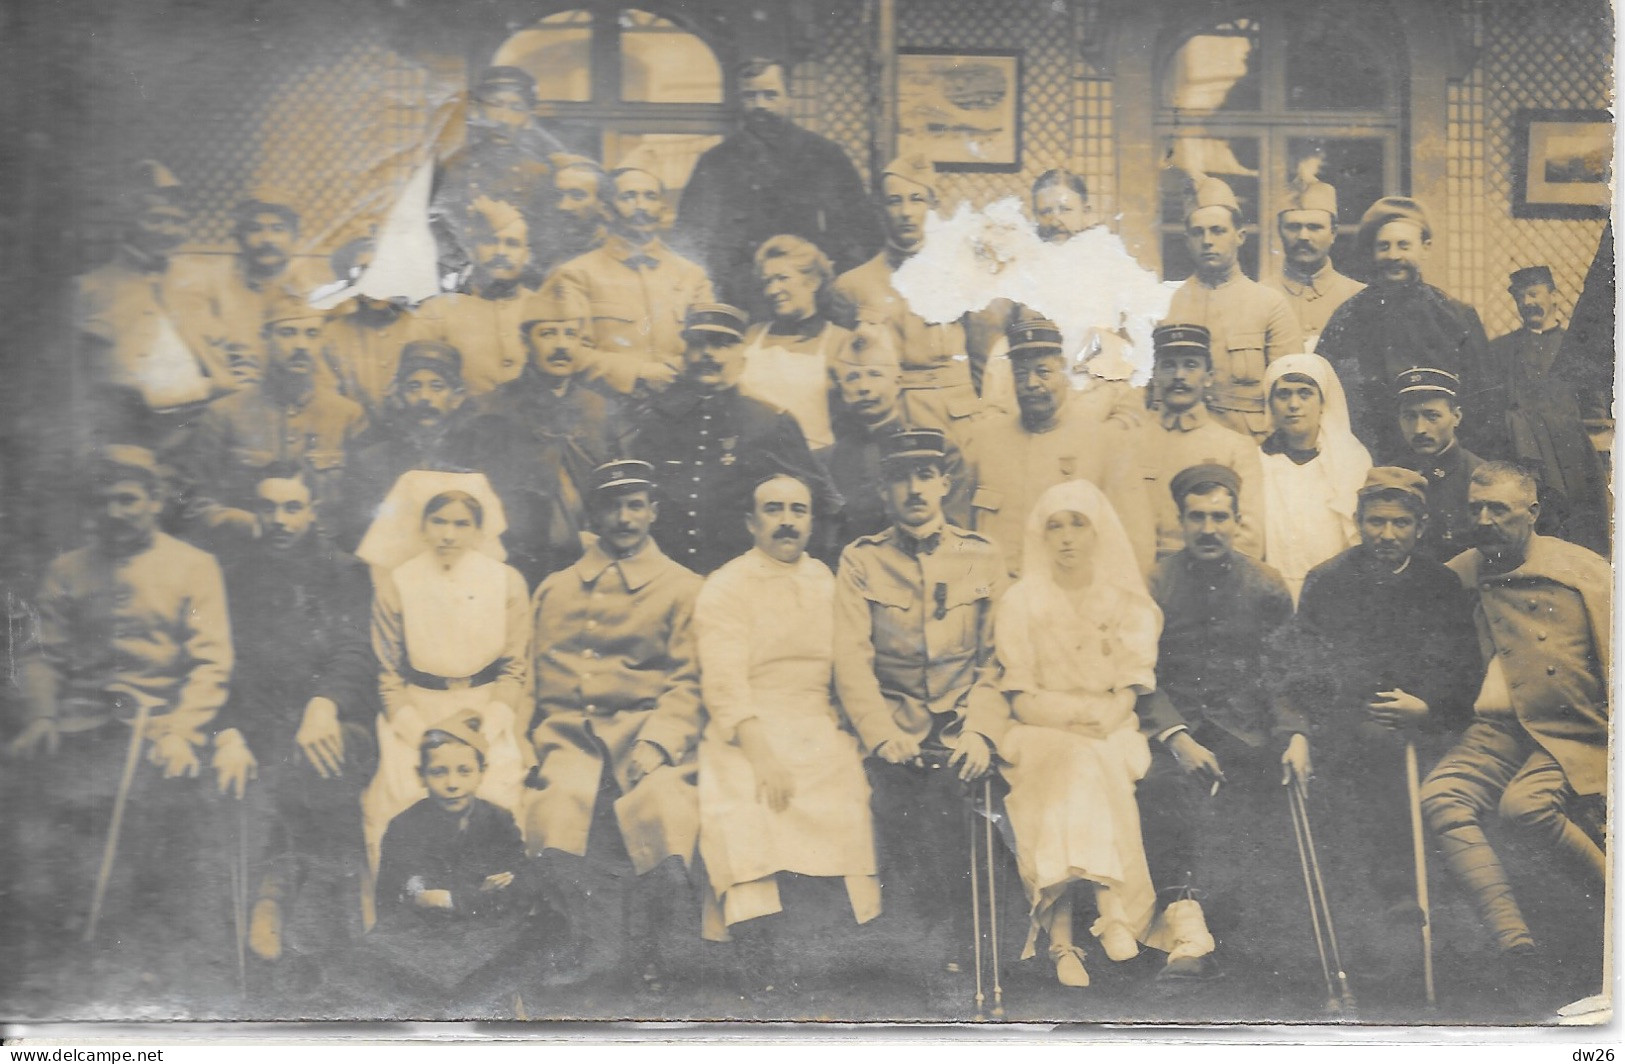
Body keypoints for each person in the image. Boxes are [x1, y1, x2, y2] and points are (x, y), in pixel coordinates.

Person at [6, 446, 235, 1001]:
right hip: (80, 725)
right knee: (45, 832)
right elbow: (39, 655)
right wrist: (41, 715)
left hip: (159, 728)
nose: (116, 512)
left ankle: (145, 968)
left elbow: (211, 663)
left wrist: (182, 728)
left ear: (155, 502)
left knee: (155, 831)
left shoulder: (194, 567)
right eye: (105, 501)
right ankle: (58, 966)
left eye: (129, 499)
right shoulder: (67, 570)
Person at [1280, 467, 1480, 997]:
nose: (1386, 535)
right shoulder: (1327, 580)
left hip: (1425, 730)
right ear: (1358, 522)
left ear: (1421, 527)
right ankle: (1368, 931)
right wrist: (1308, 730)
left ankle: (1417, 920)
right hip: (1345, 731)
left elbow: (1464, 672)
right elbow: (1303, 667)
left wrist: (1427, 707)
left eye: (1399, 523)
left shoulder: (1440, 585)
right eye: (1375, 522)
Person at [1421, 463, 1609, 992]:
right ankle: (1515, 945)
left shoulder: (1584, 571)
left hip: (1572, 729)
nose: (1483, 519)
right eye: (1475, 508)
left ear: (1532, 513)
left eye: (1497, 509)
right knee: (1441, 797)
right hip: (1499, 730)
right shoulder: (1457, 573)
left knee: (1524, 807)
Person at [831, 428, 1007, 991]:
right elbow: (852, 662)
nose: (914, 489)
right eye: (901, 478)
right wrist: (881, 735)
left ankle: (957, 957)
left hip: (960, 730)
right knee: (896, 803)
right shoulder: (861, 561)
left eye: (925, 476)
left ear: (945, 485)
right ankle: (920, 961)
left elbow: (995, 664)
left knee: (953, 802)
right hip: (895, 730)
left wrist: (981, 731)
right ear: (884, 491)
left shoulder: (981, 556)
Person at [524, 459, 705, 987]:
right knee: (555, 807)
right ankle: (588, 948)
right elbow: (533, 680)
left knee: (663, 807)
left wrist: (660, 741)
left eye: (635, 505)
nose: (624, 518)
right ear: (594, 513)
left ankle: (659, 953)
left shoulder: (683, 588)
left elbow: (689, 682)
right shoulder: (555, 589)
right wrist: (524, 743)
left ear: (653, 511)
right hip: (567, 737)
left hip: (644, 734)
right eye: (611, 505)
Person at [694, 474, 881, 984]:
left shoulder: (826, 580)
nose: (786, 521)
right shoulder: (726, 585)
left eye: (798, 510)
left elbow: (850, 661)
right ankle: (760, 954)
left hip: (814, 718)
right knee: (752, 795)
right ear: (752, 523)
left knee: (843, 781)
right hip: (746, 726)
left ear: (811, 522)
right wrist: (762, 753)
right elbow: (725, 682)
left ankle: (827, 947)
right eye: (773, 510)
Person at [981, 480, 1162, 989]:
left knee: (1086, 762)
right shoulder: (1021, 601)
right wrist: (1078, 717)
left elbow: (1131, 686)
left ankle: (1061, 938)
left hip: (1111, 732)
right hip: (1038, 732)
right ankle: (1110, 908)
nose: (1065, 537)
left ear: (1098, 532)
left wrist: (1107, 713)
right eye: (1053, 526)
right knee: (1076, 760)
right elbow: (1019, 697)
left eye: (1077, 524)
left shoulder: (1125, 600)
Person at [1132, 463, 1303, 981]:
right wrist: (1176, 735)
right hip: (1175, 732)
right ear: (1180, 521)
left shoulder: (1266, 585)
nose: (1209, 529)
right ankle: (1185, 927)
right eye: (1197, 517)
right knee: (1160, 788)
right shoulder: (1156, 583)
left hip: (1244, 731)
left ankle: (1248, 941)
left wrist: (1295, 734)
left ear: (1237, 521)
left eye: (1220, 517)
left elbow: (1284, 671)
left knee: (1256, 799)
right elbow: (1140, 672)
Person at [220, 464, 379, 974]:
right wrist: (229, 732)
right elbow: (221, 664)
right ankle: (287, 904)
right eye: (268, 507)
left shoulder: (345, 570)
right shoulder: (234, 577)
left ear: (314, 511)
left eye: (293, 507)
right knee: (270, 774)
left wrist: (324, 703)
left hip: (334, 723)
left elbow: (354, 650)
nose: (280, 519)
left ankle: (285, 899)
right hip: (261, 727)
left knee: (322, 758)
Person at [361, 481, 532, 875]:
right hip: (418, 710)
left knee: (497, 790)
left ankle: (493, 913)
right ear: (422, 526)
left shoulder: (507, 581)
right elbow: (387, 675)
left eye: (461, 523)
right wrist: (420, 733)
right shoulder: (398, 583)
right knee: (401, 793)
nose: (448, 534)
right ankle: (403, 919)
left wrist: (490, 724)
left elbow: (513, 668)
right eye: (438, 522)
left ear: (478, 530)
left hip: (485, 710)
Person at [631, 303, 841, 575]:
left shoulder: (770, 422)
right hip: (668, 573)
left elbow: (822, 503)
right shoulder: (659, 420)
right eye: (698, 345)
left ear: (742, 356)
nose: (707, 354)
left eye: (721, 345)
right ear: (685, 354)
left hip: (747, 578)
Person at [363, 711, 542, 1013]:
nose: (452, 784)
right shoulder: (404, 826)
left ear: (481, 772)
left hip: (484, 930)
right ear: (421, 775)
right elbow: (393, 897)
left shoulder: (498, 821)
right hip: (425, 935)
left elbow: (521, 888)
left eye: (464, 771)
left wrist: (451, 898)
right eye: (438, 772)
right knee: (379, 954)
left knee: (516, 944)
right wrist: (478, 892)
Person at [675, 57, 878, 311]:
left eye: (770, 95)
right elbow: (691, 239)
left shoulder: (825, 156)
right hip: (738, 301)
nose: (760, 105)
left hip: (811, 303)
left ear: (790, 97)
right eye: (750, 96)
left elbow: (860, 232)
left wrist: (830, 283)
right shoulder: (715, 163)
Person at [463, 283, 634, 584]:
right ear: (524, 342)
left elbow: (618, 490)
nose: (561, 346)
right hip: (514, 561)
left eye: (570, 335)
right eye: (548, 334)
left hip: (589, 561)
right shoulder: (493, 410)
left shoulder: (598, 409)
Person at [962, 316, 1154, 575]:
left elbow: (1135, 540)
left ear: (1064, 374)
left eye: (1043, 372)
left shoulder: (1105, 443)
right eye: (1021, 374)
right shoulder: (982, 443)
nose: (1031, 384)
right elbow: (956, 535)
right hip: (998, 598)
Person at [1317, 196, 1503, 460]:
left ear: (1425, 248)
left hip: (1441, 458)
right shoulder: (1348, 316)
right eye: (1384, 247)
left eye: (1403, 245)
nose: (1393, 256)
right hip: (1370, 457)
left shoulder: (1456, 316)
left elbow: (1483, 399)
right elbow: (1327, 393)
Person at [174, 307, 368, 547]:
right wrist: (240, 521)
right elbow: (193, 503)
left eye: (312, 334)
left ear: (323, 341)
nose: (301, 346)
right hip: (247, 556)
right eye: (287, 333)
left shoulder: (347, 415)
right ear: (264, 338)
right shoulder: (224, 414)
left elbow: (362, 504)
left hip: (324, 562)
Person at [830, 154, 990, 434]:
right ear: (880, 209)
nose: (906, 212)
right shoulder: (853, 285)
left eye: (916, 200)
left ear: (932, 207)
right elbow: (844, 369)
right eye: (895, 201)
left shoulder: (963, 274)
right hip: (887, 421)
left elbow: (982, 362)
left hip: (954, 421)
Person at [71, 160, 231, 440]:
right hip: (120, 432)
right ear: (128, 221)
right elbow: (76, 379)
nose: (167, 231)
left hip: (195, 428)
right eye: (155, 218)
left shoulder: (202, 281)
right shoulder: (89, 287)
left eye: (177, 221)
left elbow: (228, 351)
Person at [547, 166, 716, 397]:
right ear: (606, 209)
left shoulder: (691, 275)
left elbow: (708, 344)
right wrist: (639, 373)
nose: (641, 207)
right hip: (607, 413)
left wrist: (679, 371)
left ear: (662, 209)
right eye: (628, 197)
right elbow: (569, 351)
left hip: (681, 408)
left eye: (650, 197)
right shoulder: (575, 274)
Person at [1163, 176, 1304, 441]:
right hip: (1178, 441)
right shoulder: (1167, 303)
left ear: (1239, 236)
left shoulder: (1269, 303)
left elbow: (1288, 391)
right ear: (1187, 240)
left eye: (1217, 231)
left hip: (1249, 446)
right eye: (1198, 232)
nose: (1207, 240)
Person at [1487, 265, 1610, 552]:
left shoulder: (1577, 347)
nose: (1528, 303)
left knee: (1580, 530)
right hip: (1523, 454)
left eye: (1534, 294)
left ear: (1554, 296)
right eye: (1521, 297)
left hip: (1571, 455)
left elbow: (1595, 407)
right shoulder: (1501, 350)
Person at [825, 324, 973, 541]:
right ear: (841, 389)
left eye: (874, 374)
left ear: (898, 382)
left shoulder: (939, 451)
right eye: (852, 377)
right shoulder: (829, 459)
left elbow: (954, 531)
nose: (863, 387)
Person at [169, 188, 327, 387]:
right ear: (239, 237)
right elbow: (198, 356)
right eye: (254, 229)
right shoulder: (211, 287)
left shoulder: (311, 293)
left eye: (278, 229)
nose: (267, 239)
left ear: (295, 238)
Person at [338, 340, 482, 551]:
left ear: (457, 398)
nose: (424, 397)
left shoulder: (478, 456)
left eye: (437, 387)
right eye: (414, 387)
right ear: (400, 396)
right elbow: (359, 534)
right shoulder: (372, 461)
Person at [1137, 323, 1264, 560]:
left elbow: (1249, 540)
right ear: (1154, 375)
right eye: (1169, 365)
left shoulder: (1236, 447)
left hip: (1211, 582)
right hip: (1142, 580)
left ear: (1208, 377)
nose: (1179, 376)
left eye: (1190, 365)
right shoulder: (1129, 444)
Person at [430, 65, 562, 283]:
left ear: (528, 116)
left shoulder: (541, 171)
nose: (504, 118)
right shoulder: (455, 164)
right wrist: (455, 265)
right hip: (464, 275)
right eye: (495, 105)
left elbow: (549, 236)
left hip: (520, 275)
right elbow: (438, 220)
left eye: (516, 108)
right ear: (478, 110)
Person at [1257, 353, 1372, 601]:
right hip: (1272, 593)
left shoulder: (1351, 460)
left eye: (1305, 393)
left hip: (1336, 593)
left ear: (1322, 402)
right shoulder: (1257, 462)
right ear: (1271, 404)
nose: (1294, 404)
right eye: (1283, 394)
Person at [736, 234, 853, 452]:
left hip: (815, 465)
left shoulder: (840, 341)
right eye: (767, 282)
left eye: (782, 278)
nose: (772, 290)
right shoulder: (751, 337)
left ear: (813, 281)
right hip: (750, 463)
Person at [321, 237, 449, 422]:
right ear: (351, 281)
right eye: (365, 271)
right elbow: (329, 399)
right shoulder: (331, 335)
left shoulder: (426, 329)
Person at [436, 197, 546, 395]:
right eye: (489, 242)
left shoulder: (545, 309)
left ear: (527, 254)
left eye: (512, 244)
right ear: (472, 249)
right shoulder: (440, 311)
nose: (500, 252)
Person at [1391, 367, 1485, 563]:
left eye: (1432, 416)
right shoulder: (1391, 475)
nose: (1419, 429)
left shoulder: (1479, 475)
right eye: (1409, 416)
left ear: (1456, 417)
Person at [1264, 178, 1364, 348]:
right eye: (1293, 227)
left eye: (1314, 227)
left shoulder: (1359, 297)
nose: (1303, 236)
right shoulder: (1262, 296)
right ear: (1279, 231)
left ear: (1333, 233)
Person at [536, 153, 608, 273]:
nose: (563, 206)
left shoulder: (612, 254)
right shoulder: (548, 253)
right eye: (558, 195)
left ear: (602, 204)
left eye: (577, 195)